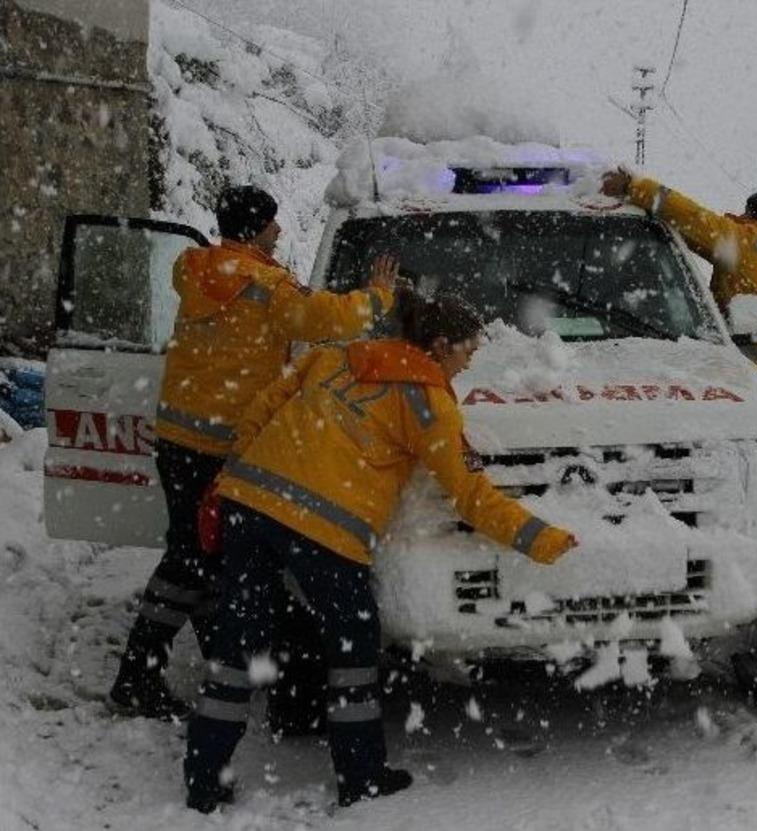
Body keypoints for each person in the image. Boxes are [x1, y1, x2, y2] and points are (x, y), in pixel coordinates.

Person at [183, 286, 577, 812]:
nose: (472, 359)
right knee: (353, 642)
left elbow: (263, 405)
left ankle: (205, 780)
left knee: (237, 642)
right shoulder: (428, 403)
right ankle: (361, 775)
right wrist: (541, 538)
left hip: (249, 505)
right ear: (439, 346)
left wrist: (234, 472)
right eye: (468, 350)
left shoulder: (336, 354)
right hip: (323, 527)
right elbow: (471, 495)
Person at [108, 185, 398, 720]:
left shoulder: (194, 269)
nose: (280, 231)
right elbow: (330, 319)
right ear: (257, 228)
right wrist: (380, 296)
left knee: (203, 551)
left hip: (178, 439)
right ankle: (138, 676)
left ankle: (223, 658)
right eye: (273, 224)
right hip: (225, 446)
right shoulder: (267, 287)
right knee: (193, 559)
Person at [601, 169, 757, 394]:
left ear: (755, 215)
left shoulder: (746, 241)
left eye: (746, 212)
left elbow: (691, 217)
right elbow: (694, 231)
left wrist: (633, 186)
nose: (742, 215)